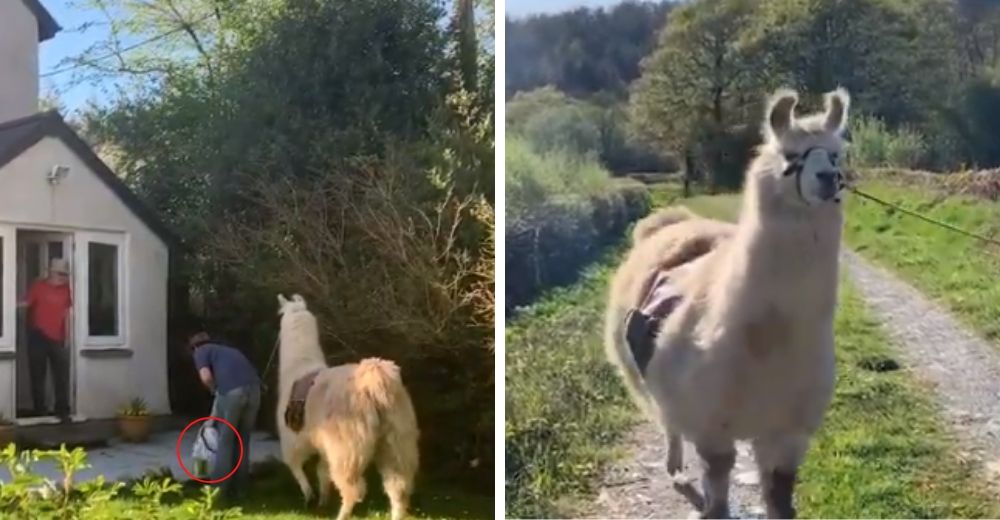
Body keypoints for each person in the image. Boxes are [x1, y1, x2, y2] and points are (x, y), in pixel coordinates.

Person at [188, 331, 261, 499]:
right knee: (242, 441)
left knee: (225, 441)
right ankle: (241, 490)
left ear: (194, 347)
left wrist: (214, 390)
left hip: (232, 393)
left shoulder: (201, 352)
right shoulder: (229, 351)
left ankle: (218, 491)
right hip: (255, 391)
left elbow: (206, 377)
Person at [18, 258, 73, 421]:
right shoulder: (39, 287)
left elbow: (70, 314)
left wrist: (68, 336)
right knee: (37, 375)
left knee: (61, 376)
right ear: (51, 273)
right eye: (60, 273)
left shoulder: (67, 290)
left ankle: (62, 410)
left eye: (65, 274)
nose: (63, 277)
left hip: (59, 337)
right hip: (38, 336)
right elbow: (25, 304)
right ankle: (39, 410)